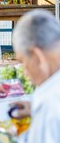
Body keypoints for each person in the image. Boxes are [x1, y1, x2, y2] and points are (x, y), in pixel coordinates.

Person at [11, 9, 60, 143]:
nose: (25, 72)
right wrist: (34, 108)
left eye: (22, 62)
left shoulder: (50, 105)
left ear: (37, 56)